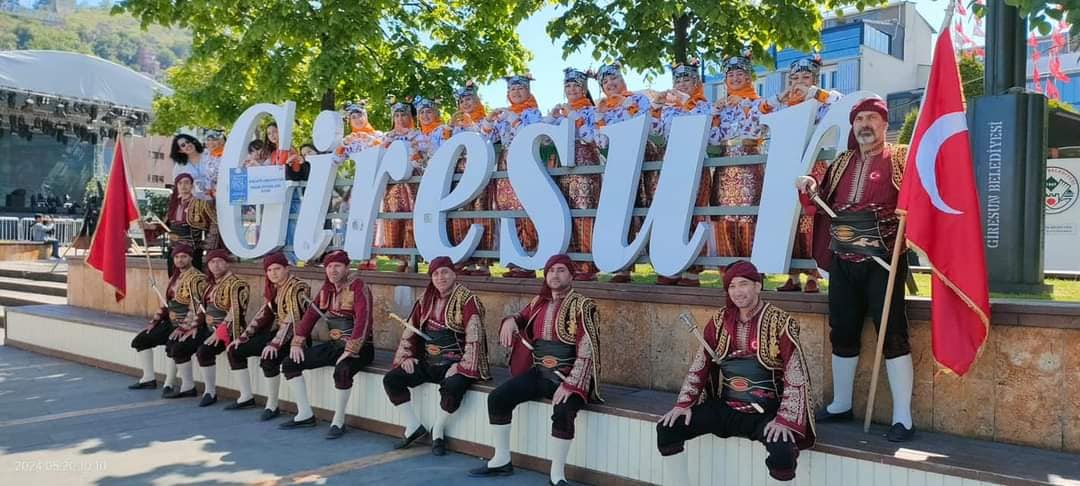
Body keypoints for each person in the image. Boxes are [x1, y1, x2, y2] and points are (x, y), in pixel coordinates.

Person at [796, 97, 915, 442]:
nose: (865, 124)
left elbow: (918, 199)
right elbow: (819, 204)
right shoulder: (841, 162)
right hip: (844, 259)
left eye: (871, 119)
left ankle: (903, 417)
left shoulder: (901, 157)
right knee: (842, 330)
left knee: (892, 333)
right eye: (859, 119)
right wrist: (810, 187)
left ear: (884, 123)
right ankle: (842, 404)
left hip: (885, 260)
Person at [655, 260, 815, 483]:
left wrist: (784, 420)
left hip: (766, 413)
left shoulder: (781, 321)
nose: (737, 292)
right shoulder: (719, 321)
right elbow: (701, 365)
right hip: (726, 407)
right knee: (668, 427)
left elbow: (794, 373)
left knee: (782, 450)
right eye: (731, 286)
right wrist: (684, 404)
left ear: (758, 286)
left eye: (743, 284)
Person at [469, 254, 601, 486]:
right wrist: (510, 320)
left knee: (562, 410)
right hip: (540, 373)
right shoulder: (539, 302)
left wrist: (571, 384)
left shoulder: (584, 306)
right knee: (498, 398)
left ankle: (557, 474)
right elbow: (521, 317)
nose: (555, 275)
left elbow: (587, 348)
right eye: (551, 271)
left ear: (571, 275)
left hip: (570, 377)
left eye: (561, 270)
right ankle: (501, 460)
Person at [384, 256, 490, 455]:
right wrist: (407, 357)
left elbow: (474, 337)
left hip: (455, 363)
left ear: (454, 274)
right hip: (428, 361)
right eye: (435, 274)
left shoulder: (468, 300)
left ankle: (438, 430)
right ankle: (413, 426)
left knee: (454, 386)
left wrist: (460, 366)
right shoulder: (425, 299)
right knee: (392, 379)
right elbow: (411, 331)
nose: (440, 277)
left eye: (445, 272)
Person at [279, 250, 375, 439]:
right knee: (290, 363)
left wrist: (351, 349)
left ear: (347, 268)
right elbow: (310, 316)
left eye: (337, 266)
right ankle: (305, 414)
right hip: (334, 345)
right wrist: (296, 343)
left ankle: (338, 421)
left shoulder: (358, 287)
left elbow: (364, 320)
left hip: (360, 348)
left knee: (343, 370)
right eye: (329, 266)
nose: (332, 270)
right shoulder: (326, 289)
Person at [776, 56, 842, 294]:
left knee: (812, 219)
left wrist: (816, 93)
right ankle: (791, 275)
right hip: (787, 164)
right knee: (789, 220)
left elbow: (842, 104)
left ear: (815, 79)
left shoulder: (825, 99)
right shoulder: (785, 104)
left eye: (806, 77)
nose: (799, 83)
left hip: (816, 166)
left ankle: (813, 274)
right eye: (795, 78)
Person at [591, 61, 659, 283]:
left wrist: (626, 104)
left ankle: (663, 262)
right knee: (622, 214)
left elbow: (648, 126)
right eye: (606, 82)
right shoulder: (601, 107)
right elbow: (600, 141)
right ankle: (622, 267)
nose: (610, 84)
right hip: (617, 166)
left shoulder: (638, 99)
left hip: (642, 161)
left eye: (614, 79)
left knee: (648, 207)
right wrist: (600, 118)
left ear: (623, 80)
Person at [224, 251, 311, 421]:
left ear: (287, 268)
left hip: (296, 337)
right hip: (279, 334)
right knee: (235, 349)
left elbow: (293, 319)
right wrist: (244, 336)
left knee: (269, 357)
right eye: (269, 270)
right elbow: (264, 313)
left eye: (277, 269)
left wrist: (275, 343)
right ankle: (246, 397)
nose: (273, 273)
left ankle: (272, 405)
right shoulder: (275, 287)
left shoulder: (298, 286)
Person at [651, 59, 714, 286]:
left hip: (695, 163)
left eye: (687, 79)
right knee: (669, 214)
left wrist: (685, 102)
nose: (682, 83)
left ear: (696, 81)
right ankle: (670, 266)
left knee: (694, 212)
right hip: (671, 163)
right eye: (678, 79)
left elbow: (707, 128)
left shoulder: (704, 105)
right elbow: (653, 130)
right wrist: (656, 107)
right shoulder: (669, 109)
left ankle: (693, 271)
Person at [711, 49, 777, 260]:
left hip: (749, 164)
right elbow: (713, 139)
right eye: (730, 75)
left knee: (751, 217)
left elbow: (757, 131)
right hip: (725, 166)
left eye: (740, 74)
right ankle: (729, 270)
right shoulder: (722, 107)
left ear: (749, 77)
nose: (735, 78)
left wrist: (744, 106)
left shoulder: (759, 103)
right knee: (724, 217)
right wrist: (714, 115)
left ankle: (754, 268)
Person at [544, 67, 603, 281]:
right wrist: (551, 119)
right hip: (562, 165)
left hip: (584, 162)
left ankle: (587, 263)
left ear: (584, 88)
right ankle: (569, 263)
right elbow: (545, 139)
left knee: (584, 209)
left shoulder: (591, 111)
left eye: (576, 86)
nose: (571, 89)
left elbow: (593, 137)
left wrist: (575, 118)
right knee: (564, 211)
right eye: (568, 86)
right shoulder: (560, 113)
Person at [128, 244, 208, 396]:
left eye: (184, 256)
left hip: (186, 324)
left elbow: (196, 307)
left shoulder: (198, 279)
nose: (180, 260)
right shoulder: (174, 277)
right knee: (141, 340)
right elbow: (167, 304)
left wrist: (184, 327)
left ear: (191, 258)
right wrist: (155, 321)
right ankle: (148, 378)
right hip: (170, 322)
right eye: (177, 257)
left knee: (173, 345)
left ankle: (169, 383)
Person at [488, 75, 544, 278]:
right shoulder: (503, 116)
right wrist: (488, 120)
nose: (517, 93)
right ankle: (513, 259)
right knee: (507, 208)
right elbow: (489, 137)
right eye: (513, 90)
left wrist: (513, 118)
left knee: (525, 208)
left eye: (521, 89)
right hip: (505, 163)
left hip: (526, 162)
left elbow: (536, 133)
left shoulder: (533, 112)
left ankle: (528, 259)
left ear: (528, 92)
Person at [449, 82, 496, 276]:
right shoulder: (453, 125)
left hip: (480, 172)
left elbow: (489, 138)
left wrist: (471, 125)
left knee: (481, 212)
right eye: (462, 100)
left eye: (469, 99)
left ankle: (483, 261)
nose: (465, 103)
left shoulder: (486, 120)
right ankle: (463, 258)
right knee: (460, 215)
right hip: (458, 174)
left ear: (476, 101)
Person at [194, 249, 250, 407]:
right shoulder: (211, 284)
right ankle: (199, 388)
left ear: (227, 263)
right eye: (212, 262)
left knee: (207, 351)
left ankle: (243, 395)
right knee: (180, 344)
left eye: (219, 261)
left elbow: (236, 310)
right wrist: (191, 327)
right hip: (209, 328)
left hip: (231, 329)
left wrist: (221, 330)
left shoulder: (237, 284)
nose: (216, 265)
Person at [378, 97, 424, 273]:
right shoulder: (387, 136)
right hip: (392, 183)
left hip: (412, 180)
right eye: (396, 115)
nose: (399, 118)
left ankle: (411, 256)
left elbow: (422, 157)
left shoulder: (417, 134)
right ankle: (397, 257)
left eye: (403, 114)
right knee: (393, 216)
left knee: (412, 217)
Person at [164, 173, 215, 274]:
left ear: (192, 185)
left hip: (192, 250)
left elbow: (214, 224)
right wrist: (148, 227)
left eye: (186, 183)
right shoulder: (173, 205)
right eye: (180, 183)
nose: (183, 186)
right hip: (174, 250)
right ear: (176, 186)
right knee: (175, 281)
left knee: (193, 282)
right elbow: (164, 225)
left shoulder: (201, 203)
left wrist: (207, 244)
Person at [170, 134, 211, 200]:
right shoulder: (179, 166)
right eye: (183, 145)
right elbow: (178, 185)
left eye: (188, 142)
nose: (187, 145)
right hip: (194, 202)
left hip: (218, 196)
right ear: (180, 150)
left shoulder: (209, 154)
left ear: (192, 142)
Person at [202, 130, 227, 198]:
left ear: (221, 141)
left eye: (214, 140)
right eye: (208, 140)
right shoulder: (204, 155)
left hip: (224, 192)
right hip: (207, 195)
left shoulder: (227, 155)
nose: (211, 143)